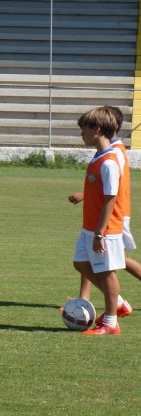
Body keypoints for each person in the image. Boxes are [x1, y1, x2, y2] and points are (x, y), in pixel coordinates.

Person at [68, 106, 136, 318]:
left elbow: (112, 193)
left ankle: (111, 317)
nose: (81, 133)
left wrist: (99, 232)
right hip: (94, 222)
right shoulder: (101, 154)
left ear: (98, 128)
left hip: (110, 221)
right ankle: (108, 301)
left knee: (111, 265)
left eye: (84, 128)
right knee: (85, 262)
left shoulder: (112, 157)